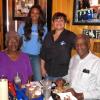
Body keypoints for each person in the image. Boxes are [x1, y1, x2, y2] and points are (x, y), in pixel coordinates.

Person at [40, 12, 76, 81]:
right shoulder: (48, 35)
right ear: (53, 22)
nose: (58, 22)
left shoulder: (70, 35)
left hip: (62, 74)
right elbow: (43, 52)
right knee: (48, 91)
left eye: (61, 20)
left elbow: (80, 48)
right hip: (48, 72)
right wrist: (42, 68)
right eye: (56, 20)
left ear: (65, 22)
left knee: (59, 91)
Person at [18, 5, 47, 81]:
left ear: (40, 15)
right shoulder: (23, 25)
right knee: (23, 79)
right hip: (23, 55)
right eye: (33, 12)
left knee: (38, 79)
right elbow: (17, 41)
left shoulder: (44, 28)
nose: (34, 14)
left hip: (36, 56)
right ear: (30, 14)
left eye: (37, 13)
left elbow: (44, 45)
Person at [66, 34, 100, 100]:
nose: (79, 47)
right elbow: (69, 78)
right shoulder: (73, 59)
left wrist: (82, 96)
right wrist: (63, 81)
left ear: (88, 45)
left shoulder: (97, 63)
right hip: (69, 96)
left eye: (82, 44)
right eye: (77, 44)